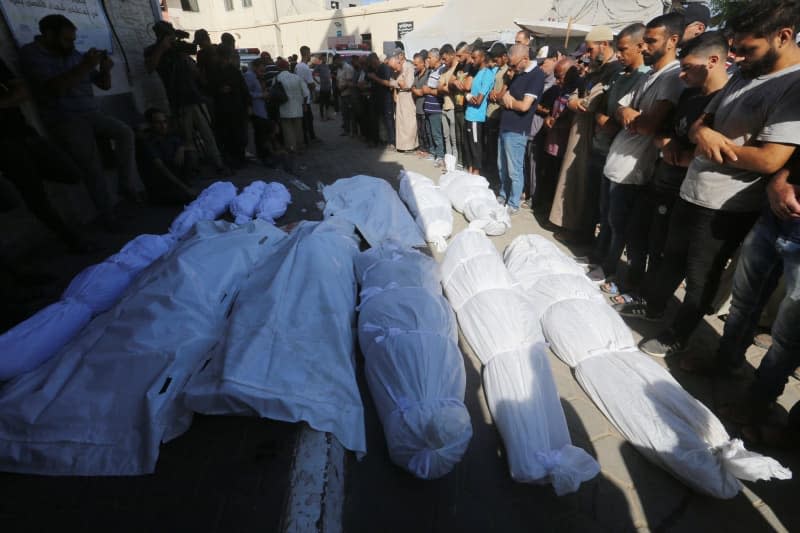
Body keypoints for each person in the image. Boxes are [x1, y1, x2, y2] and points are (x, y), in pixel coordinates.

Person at [635, 0, 800, 359]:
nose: (737, 57)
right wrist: (706, 136)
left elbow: (771, 158)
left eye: (746, 49)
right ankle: (654, 310)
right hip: (693, 189)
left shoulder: (792, 86)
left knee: (701, 279)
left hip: (726, 205)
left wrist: (708, 141)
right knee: (671, 257)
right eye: (735, 48)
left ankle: (680, 335)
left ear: (783, 37)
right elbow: (699, 124)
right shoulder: (745, 74)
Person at [613, 31, 729, 308]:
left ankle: (651, 302)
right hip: (661, 180)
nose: (681, 75)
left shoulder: (725, 100)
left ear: (713, 61)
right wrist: (666, 144)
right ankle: (641, 289)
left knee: (667, 252)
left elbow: (718, 150)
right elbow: (662, 133)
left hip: (688, 192)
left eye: (687, 68)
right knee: (644, 237)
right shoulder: (689, 96)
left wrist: (687, 155)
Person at [20, 14, 145, 222]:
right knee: (91, 166)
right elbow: (55, 88)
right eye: (66, 39)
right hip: (65, 118)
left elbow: (103, 85)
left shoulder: (73, 54)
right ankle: (108, 215)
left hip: (91, 112)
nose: (71, 44)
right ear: (49, 35)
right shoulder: (32, 55)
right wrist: (86, 65)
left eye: (73, 40)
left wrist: (105, 70)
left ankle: (125, 187)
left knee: (124, 132)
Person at [593, 13, 684, 294]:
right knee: (609, 219)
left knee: (626, 229)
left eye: (650, 41)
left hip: (634, 168)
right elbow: (620, 109)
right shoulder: (651, 75)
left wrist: (632, 116)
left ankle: (619, 276)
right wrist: (628, 114)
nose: (644, 47)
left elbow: (646, 125)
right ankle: (605, 267)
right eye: (643, 42)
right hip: (617, 159)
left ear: (673, 41)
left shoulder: (671, 78)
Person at [0, 56, 91, 248]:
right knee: (35, 196)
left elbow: (22, 91)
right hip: (5, 146)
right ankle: (71, 239)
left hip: (24, 133)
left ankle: (31, 172)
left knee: (71, 173)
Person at [549, 25, 623, 243]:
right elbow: (575, 99)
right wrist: (577, 102)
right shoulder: (594, 70)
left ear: (604, 45)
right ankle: (575, 229)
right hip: (581, 132)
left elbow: (592, 103)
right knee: (576, 183)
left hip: (596, 138)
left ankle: (584, 236)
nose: (588, 55)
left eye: (590, 50)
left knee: (589, 191)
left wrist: (581, 103)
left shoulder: (614, 71)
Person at [589, 23, 650, 261]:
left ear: (640, 46)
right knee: (604, 212)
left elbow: (625, 120)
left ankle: (609, 265)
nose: (620, 55)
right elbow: (605, 109)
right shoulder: (618, 75)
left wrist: (607, 118)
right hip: (606, 150)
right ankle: (598, 255)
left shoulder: (644, 78)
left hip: (626, 157)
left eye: (624, 50)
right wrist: (603, 117)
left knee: (617, 219)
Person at [145, 20, 226, 173]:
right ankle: (193, 167)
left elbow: (194, 69)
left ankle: (218, 164)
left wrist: (186, 59)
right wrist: (162, 48)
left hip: (194, 97)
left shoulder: (178, 50)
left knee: (207, 133)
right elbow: (149, 67)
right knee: (187, 137)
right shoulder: (153, 50)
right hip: (178, 100)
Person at [496, 44, 545, 214]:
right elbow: (503, 97)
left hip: (518, 129)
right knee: (502, 166)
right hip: (505, 125)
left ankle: (513, 203)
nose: (511, 68)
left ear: (525, 59)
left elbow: (525, 106)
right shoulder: (518, 73)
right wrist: (507, 100)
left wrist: (510, 102)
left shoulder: (536, 76)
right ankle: (503, 195)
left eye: (513, 64)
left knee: (514, 169)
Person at [136, 108, 195, 204]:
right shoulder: (147, 142)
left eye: (164, 122)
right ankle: (181, 189)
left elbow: (190, 146)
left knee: (189, 154)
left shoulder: (169, 135)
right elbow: (162, 169)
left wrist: (181, 149)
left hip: (175, 178)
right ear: (150, 124)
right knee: (187, 198)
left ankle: (185, 186)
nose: (163, 126)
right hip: (160, 183)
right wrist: (184, 188)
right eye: (158, 123)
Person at [209, 44, 250, 168]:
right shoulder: (215, 71)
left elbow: (243, 90)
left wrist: (247, 105)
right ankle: (230, 159)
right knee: (226, 135)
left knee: (238, 135)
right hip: (222, 109)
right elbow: (209, 88)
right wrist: (219, 90)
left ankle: (239, 159)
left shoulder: (234, 71)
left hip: (236, 108)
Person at [463, 46, 495, 175]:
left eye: (474, 57)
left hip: (476, 117)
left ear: (482, 58)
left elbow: (478, 101)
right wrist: (468, 95)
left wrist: (467, 95)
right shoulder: (477, 73)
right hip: (469, 115)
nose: (472, 60)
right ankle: (471, 171)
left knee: (476, 147)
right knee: (469, 146)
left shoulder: (487, 74)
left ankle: (475, 174)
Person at [275, 57, 309, 154]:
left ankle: (291, 148)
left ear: (279, 68)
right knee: (298, 129)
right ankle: (299, 146)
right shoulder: (296, 77)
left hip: (284, 108)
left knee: (287, 130)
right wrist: (305, 104)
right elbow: (306, 93)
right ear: (288, 67)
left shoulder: (277, 78)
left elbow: (274, 94)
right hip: (297, 108)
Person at [485, 42, 508, 180]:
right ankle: (490, 173)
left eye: (497, 58)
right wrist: (491, 94)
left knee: (495, 149)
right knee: (490, 146)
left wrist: (498, 96)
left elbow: (505, 89)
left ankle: (495, 177)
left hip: (499, 113)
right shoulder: (498, 70)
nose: (494, 61)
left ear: (504, 56)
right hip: (490, 111)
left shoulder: (508, 71)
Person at [451, 43, 476, 167]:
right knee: (459, 136)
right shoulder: (459, 65)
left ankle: (468, 163)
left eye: (460, 55)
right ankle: (461, 161)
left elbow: (467, 85)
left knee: (467, 138)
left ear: (467, 53)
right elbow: (451, 79)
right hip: (457, 104)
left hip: (467, 106)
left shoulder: (471, 66)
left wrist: (460, 82)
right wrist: (455, 81)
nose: (457, 57)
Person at [388, 49, 417, 153]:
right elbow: (391, 82)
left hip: (408, 97)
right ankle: (402, 145)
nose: (394, 70)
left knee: (408, 121)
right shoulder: (396, 70)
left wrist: (399, 84)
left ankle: (410, 146)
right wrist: (398, 83)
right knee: (400, 122)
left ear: (399, 61)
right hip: (400, 96)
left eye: (395, 67)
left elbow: (407, 85)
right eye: (392, 68)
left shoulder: (409, 67)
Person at [244, 58, 272, 161]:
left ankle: (264, 154)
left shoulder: (256, 76)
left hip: (261, 108)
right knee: (260, 134)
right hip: (256, 109)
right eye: (261, 67)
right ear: (256, 66)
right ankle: (262, 155)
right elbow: (247, 93)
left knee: (263, 133)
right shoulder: (249, 76)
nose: (263, 69)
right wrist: (261, 95)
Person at [367, 53, 396, 149]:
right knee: (374, 120)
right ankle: (375, 140)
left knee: (388, 120)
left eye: (372, 63)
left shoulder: (384, 68)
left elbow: (389, 83)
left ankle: (392, 142)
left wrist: (375, 78)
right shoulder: (372, 69)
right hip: (375, 98)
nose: (371, 65)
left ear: (375, 60)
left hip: (385, 99)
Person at [422, 48, 445, 166]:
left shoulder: (442, 70)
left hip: (436, 107)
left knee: (436, 133)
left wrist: (428, 90)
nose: (428, 60)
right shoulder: (432, 71)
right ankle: (432, 152)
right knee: (429, 132)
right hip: (428, 106)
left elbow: (440, 91)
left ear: (436, 58)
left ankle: (440, 156)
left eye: (430, 58)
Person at [438, 44, 459, 164]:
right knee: (446, 137)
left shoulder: (457, 68)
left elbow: (453, 88)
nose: (443, 61)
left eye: (445, 59)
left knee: (454, 138)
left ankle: (454, 164)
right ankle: (448, 162)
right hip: (444, 107)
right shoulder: (444, 70)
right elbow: (439, 88)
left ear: (452, 55)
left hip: (453, 108)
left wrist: (446, 87)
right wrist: (447, 87)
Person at [411, 50, 432, 157]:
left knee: (425, 129)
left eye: (416, 64)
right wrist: (415, 90)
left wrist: (416, 90)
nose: (415, 66)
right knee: (420, 129)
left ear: (423, 63)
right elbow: (414, 88)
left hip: (425, 106)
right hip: (417, 106)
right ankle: (421, 148)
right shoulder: (416, 74)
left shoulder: (428, 74)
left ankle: (427, 150)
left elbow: (422, 91)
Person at [296, 45, 318, 144]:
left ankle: (308, 138)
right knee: (308, 120)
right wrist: (314, 87)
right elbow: (311, 84)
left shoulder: (297, 66)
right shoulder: (305, 67)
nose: (310, 56)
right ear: (306, 54)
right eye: (309, 53)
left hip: (300, 97)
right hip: (305, 98)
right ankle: (309, 139)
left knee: (305, 119)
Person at [335, 55, 356, 136]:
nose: (335, 64)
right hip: (342, 94)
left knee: (351, 113)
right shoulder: (339, 69)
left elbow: (349, 82)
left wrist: (341, 89)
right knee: (344, 113)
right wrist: (338, 88)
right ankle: (346, 130)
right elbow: (338, 80)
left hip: (348, 94)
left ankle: (353, 131)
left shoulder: (348, 68)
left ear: (339, 60)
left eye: (336, 61)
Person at [314, 55, 333, 121]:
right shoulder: (319, 66)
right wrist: (317, 81)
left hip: (328, 87)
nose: (325, 59)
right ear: (321, 59)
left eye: (326, 58)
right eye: (324, 58)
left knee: (328, 103)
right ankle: (322, 117)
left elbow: (329, 75)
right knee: (322, 103)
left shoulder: (327, 66)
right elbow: (313, 74)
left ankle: (328, 116)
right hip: (323, 88)